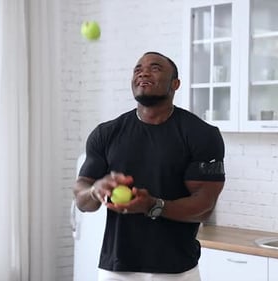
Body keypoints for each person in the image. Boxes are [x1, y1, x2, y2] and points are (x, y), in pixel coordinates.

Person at [74, 51, 225, 281]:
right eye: (138, 69)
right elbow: (82, 199)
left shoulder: (202, 135)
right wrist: (96, 190)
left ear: (175, 83)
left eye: (155, 68)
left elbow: (205, 207)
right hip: (116, 270)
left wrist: (152, 205)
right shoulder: (106, 134)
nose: (143, 72)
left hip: (177, 270)